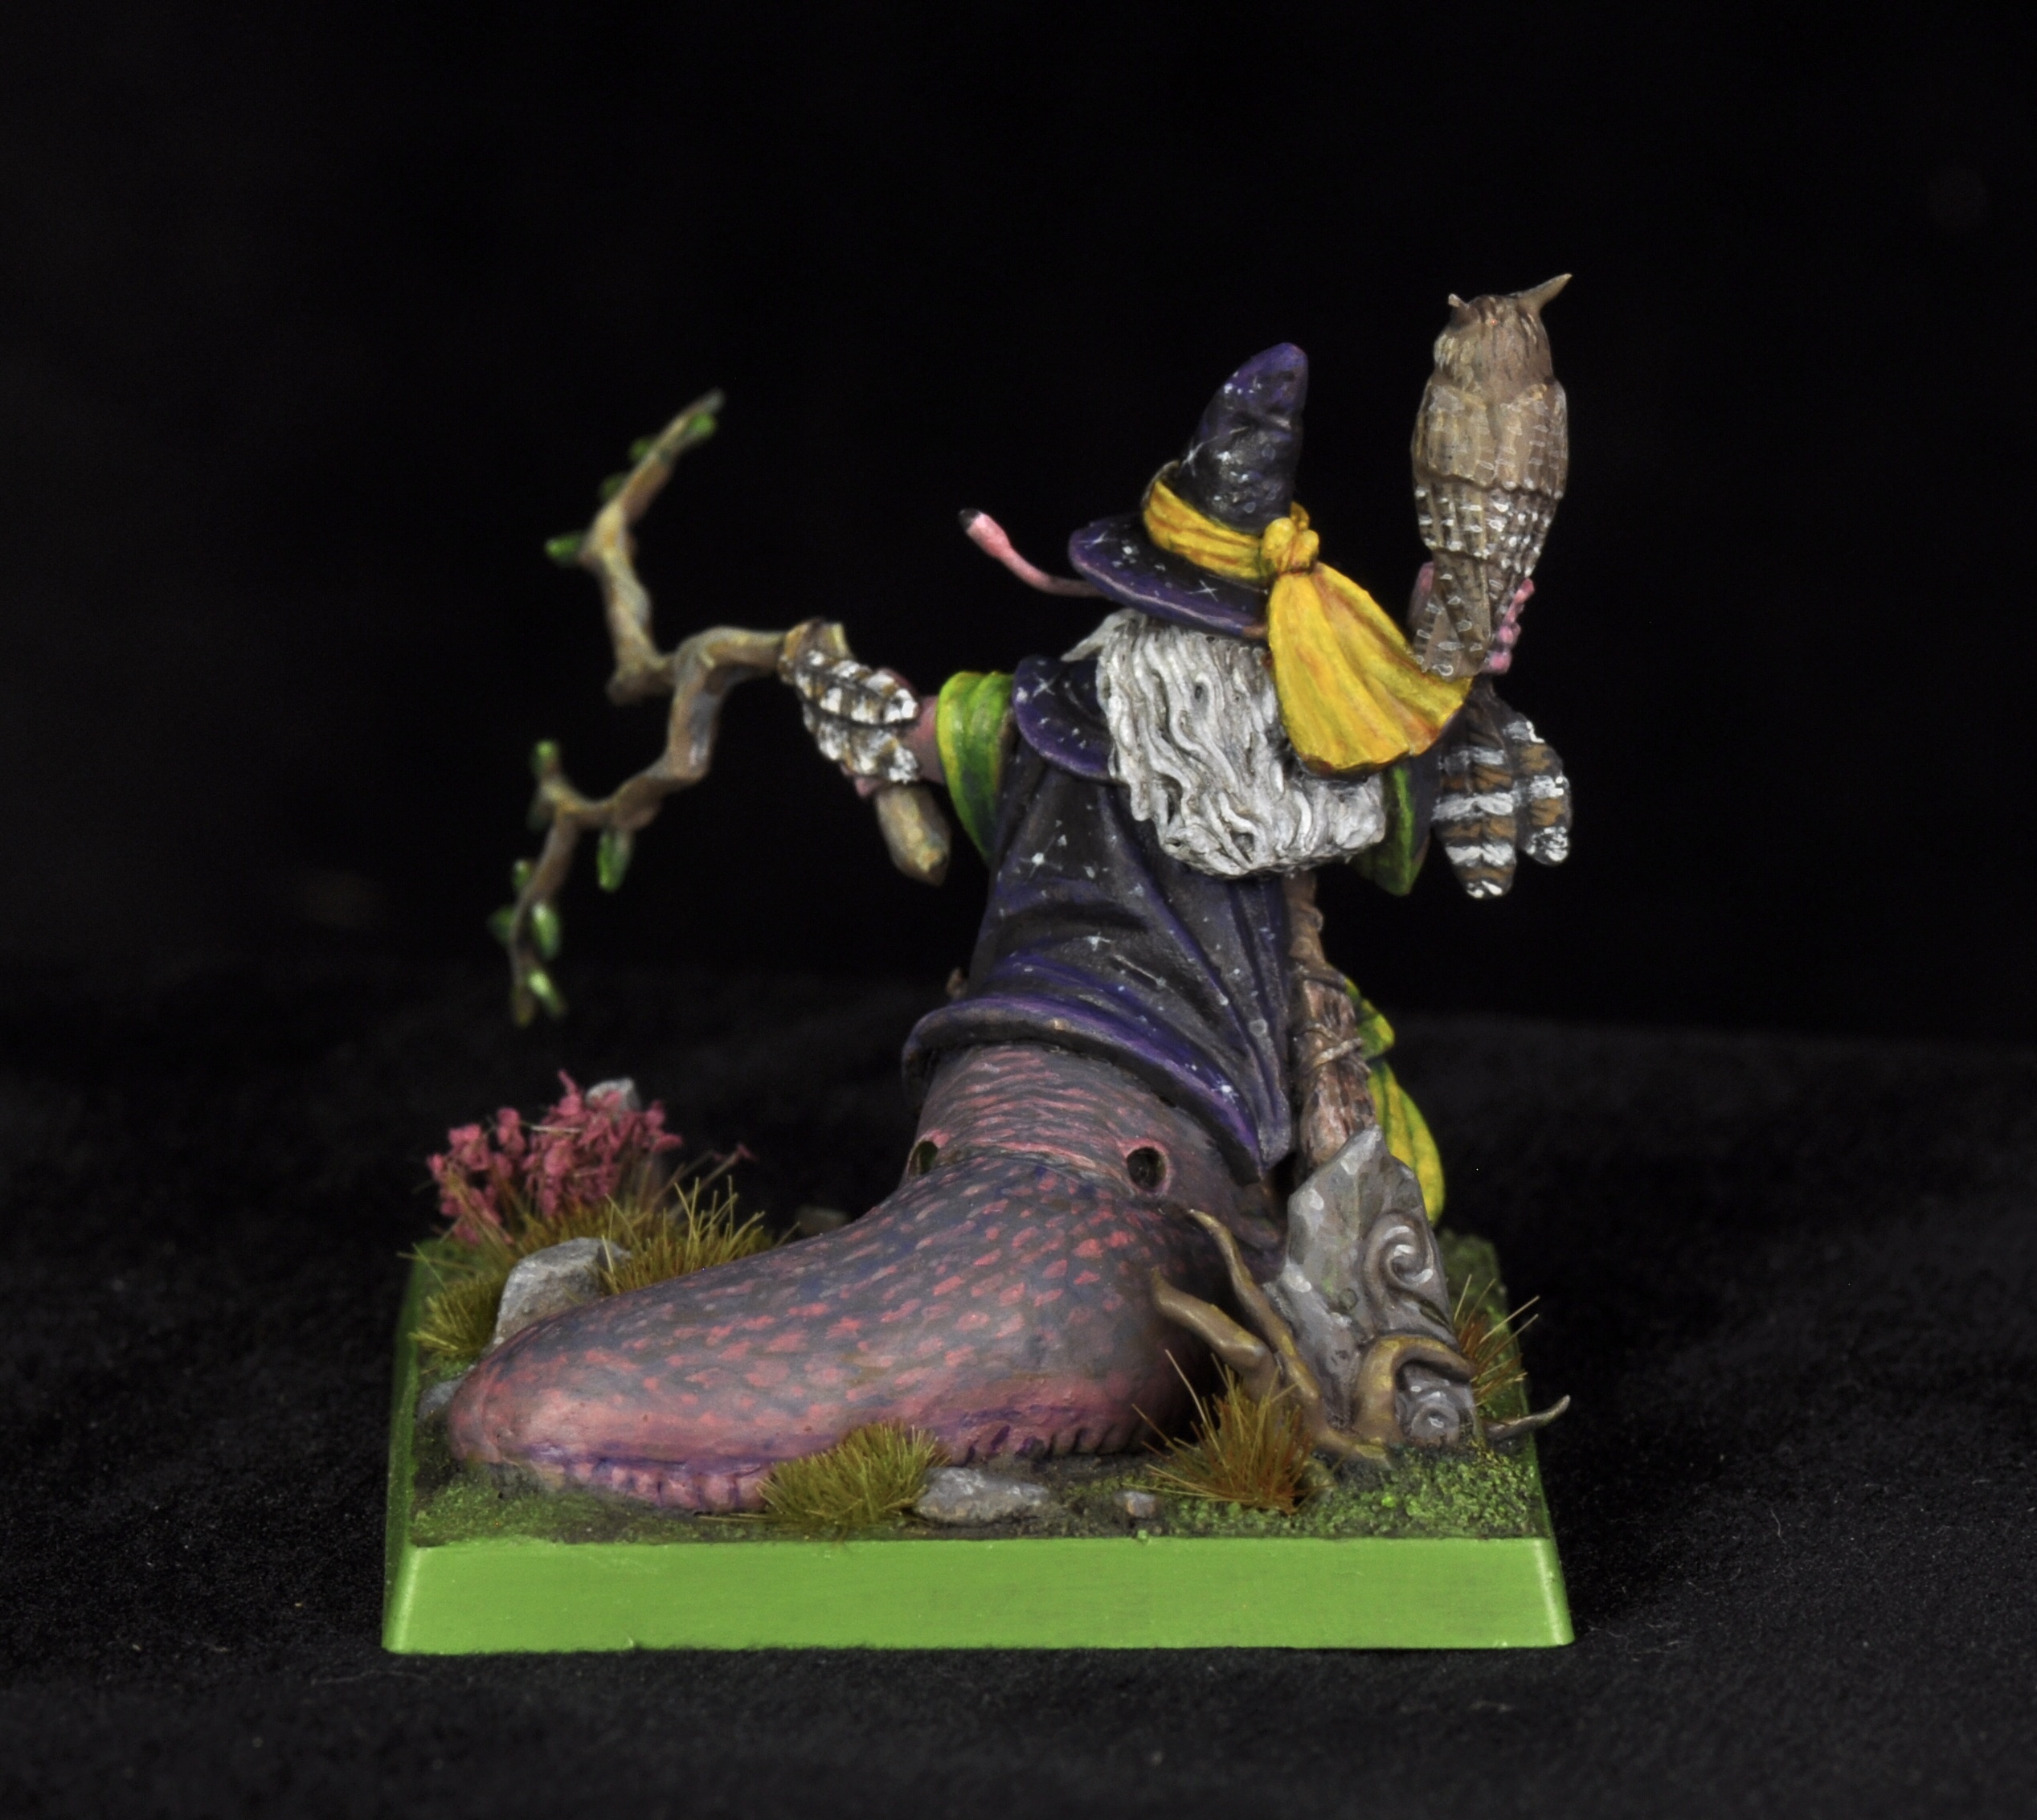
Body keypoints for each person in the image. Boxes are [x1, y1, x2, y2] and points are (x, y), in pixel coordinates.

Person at [448, 344, 1565, 1509]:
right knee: (972, 1306)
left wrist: (1445, 670)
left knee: (1376, 1192)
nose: (1212, 662)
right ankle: (568, 1398)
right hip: (1039, 1114)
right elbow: (913, 730)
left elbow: (1394, 786)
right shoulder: (1038, 720)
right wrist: (856, 709)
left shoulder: (1287, 761)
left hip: (1198, 1130)